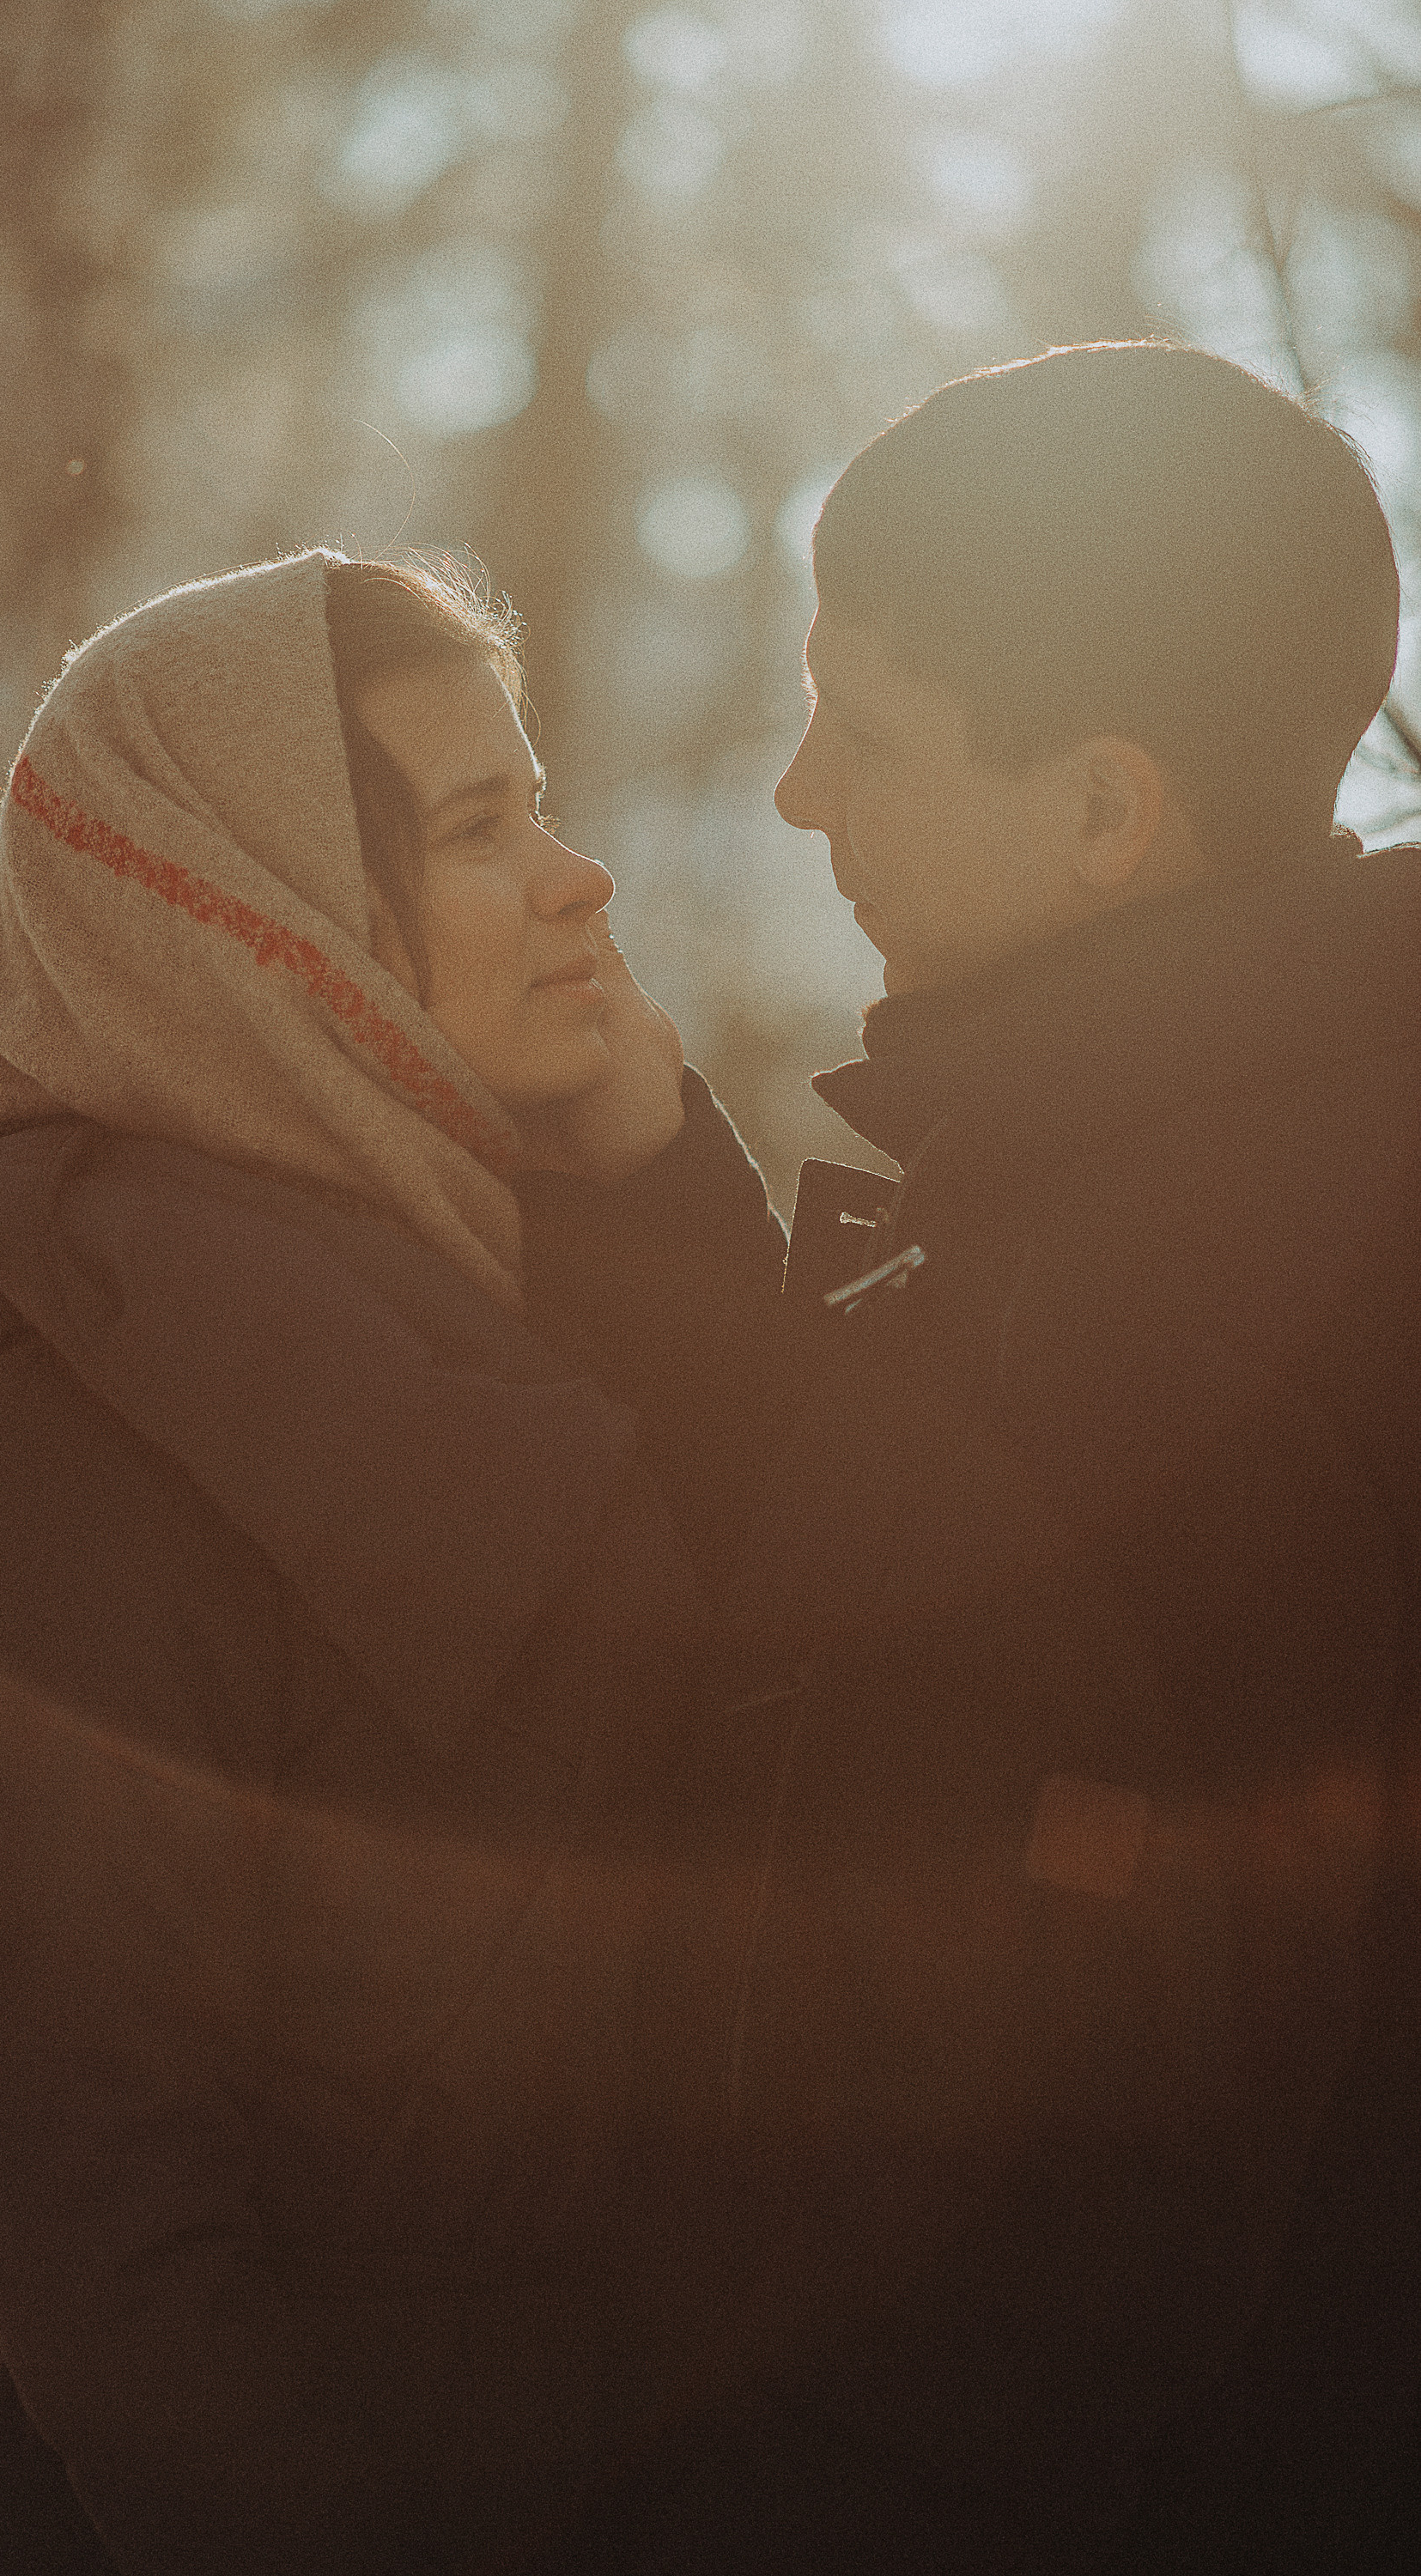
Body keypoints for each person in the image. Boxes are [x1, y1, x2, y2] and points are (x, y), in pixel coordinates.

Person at [519, 342, 1421, 2571]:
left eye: (872, 728)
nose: (803, 794)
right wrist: (647, 1198)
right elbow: (924, 1520)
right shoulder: (1256, 1164)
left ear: (1106, 811)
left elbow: (1016, 2260)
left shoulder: (1179, 1362)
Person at [0, 550, 714, 2573]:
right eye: (484, 827)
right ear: (274, 925)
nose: (580, 878)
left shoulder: (484, 1291)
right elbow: (118, 2242)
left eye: (540, 804)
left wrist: (664, 1202)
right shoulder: (99, 1418)